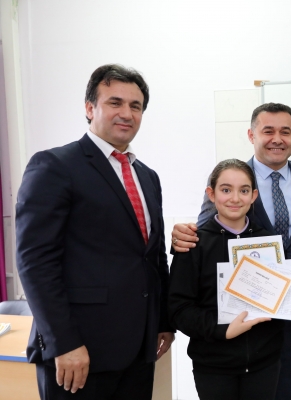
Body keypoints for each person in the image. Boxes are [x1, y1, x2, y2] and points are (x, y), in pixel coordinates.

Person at [15, 64, 174, 399]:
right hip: (79, 351)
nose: (127, 113)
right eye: (115, 102)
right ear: (90, 108)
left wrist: (162, 321)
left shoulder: (147, 176)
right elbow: (35, 262)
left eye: (135, 106)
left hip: (138, 349)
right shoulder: (55, 166)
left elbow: (152, 255)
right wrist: (63, 342)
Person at [170, 103, 291, 400]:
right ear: (252, 135)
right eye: (268, 131)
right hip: (238, 321)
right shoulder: (233, 178)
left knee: (289, 389)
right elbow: (207, 232)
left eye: (285, 131)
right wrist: (180, 238)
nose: (277, 139)